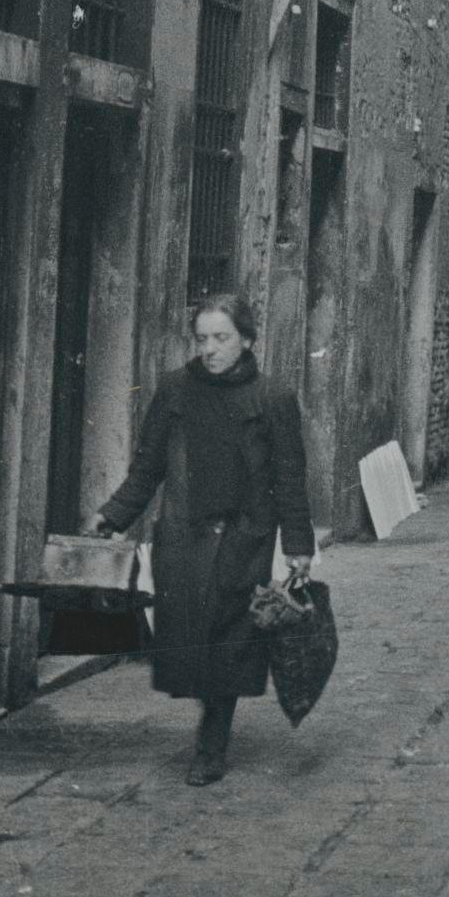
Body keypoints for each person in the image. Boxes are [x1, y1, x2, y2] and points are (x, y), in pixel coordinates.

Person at [91, 297, 315, 786]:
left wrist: (299, 544)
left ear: (248, 340)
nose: (210, 349)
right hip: (184, 536)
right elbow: (148, 466)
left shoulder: (273, 397)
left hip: (244, 538)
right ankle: (210, 712)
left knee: (231, 639)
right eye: (202, 338)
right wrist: (113, 516)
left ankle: (213, 739)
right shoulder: (175, 389)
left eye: (222, 338)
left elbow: (289, 478)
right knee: (189, 640)